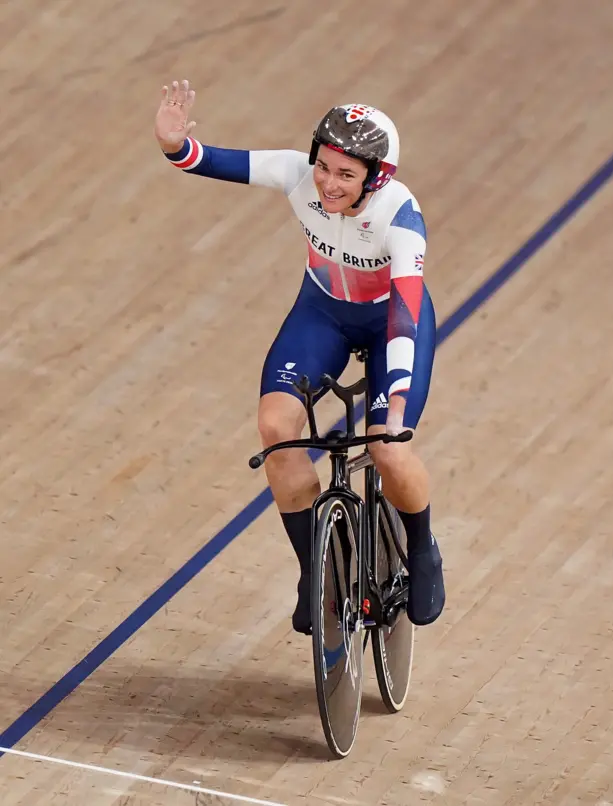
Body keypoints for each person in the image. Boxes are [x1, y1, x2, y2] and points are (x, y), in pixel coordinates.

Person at [154, 79, 445, 634]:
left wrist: (398, 403)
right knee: (276, 429)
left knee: (387, 448)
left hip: (390, 323)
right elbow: (208, 160)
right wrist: (173, 144)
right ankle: (319, 571)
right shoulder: (297, 174)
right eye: (325, 167)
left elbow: (405, 315)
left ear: (375, 178)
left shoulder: (401, 219)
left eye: (346, 174)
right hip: (324, 313)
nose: (329, 184)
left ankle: (424, 548)